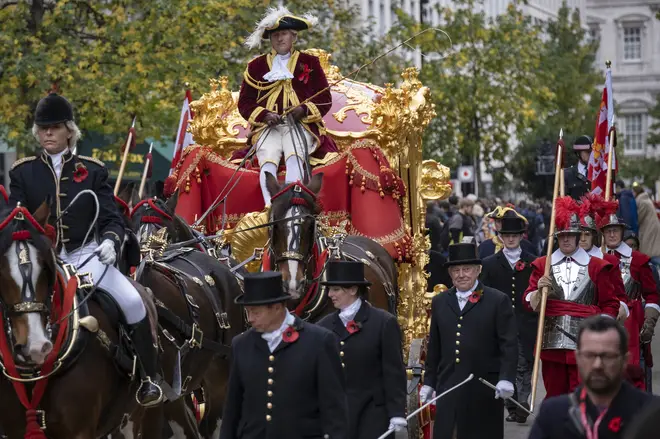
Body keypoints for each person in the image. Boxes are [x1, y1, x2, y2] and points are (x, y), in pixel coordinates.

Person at [8, 93, 162, 407]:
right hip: (42, 261)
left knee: (133, 301)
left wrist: (110, 241)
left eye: (54, 127)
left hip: (86, 256)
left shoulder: (92, 170)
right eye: (42, 128)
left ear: (69, 131)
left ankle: (148, 378)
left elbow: (111, 218)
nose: (47, 133)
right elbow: (14, 220)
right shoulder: (22, 173)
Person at [220, 271, 348, 439]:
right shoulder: (241, 344)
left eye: (256, 312)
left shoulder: (319, 341)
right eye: (247, 312)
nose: (250, 319)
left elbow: (334, 407)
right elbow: (232, 407)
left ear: (277, 308)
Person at [524, 196, 621, 398]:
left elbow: (610, 304)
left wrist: (599, 334)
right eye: (562, 236)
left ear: (578, 237)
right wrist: (537, 292)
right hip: (552, 342)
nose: (566, 239)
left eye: (570, 235)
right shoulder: (542, 265)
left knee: (583, 396)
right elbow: (527, 301)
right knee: (555, 396)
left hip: (585, 342)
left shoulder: (597, 266)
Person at [420, 243, 517, 439]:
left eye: (467, 269)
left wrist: (506, 377)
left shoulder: (497, 300)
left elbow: (509, 344)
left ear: (478, 270)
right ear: (449, 273)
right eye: (456, 270)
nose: (461, 274)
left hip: (483, 386)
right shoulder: (440, 301)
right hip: (449, 385)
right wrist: (429, 381)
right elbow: (435, 347)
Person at [239, 6, 333, 207]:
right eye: (275, 35)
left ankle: (292, 204)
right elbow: (245, 103)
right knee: (267, 155)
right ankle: (270, 207)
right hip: (268, 127)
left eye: (283, 34)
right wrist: (264, 115)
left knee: (294, 152)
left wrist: (303, 111)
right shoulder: (255, 66)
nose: (279, 39)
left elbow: (325, 98)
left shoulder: (310, 62)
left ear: (293, 37)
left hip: (300, 126)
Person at [528, 316, 658, 439]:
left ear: (624, 360)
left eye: (607, 356)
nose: (597, 365)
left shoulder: (651, 414)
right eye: (589, 355)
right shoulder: (553, 414)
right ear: (578, 358)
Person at [317, 260, 407, 438]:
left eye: (335, 289)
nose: (330, 295)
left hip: (373, 415)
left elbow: (393, 371)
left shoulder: (383, 322)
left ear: (353, 289)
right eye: (329, 289)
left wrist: (397, 413)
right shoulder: (323, 326)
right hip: (338, 417)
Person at [480, 211, 537, 424]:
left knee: (525, 364)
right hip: (501, 324)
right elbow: (483, 293)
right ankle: (512, 405)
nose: (511, 238)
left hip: (526, 322)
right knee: (507, 364)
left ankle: (523, 402)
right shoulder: (488, 263)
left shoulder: (534, 262)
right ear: (501, 237)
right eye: (507, 235)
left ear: (522, 236)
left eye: (515, 235)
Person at [599, 203, 660, 390]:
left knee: (635, 373)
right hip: (604, 324)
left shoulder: (639, 261)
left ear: (622, 231)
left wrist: (648, 322)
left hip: (633, 326)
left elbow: (652, 295)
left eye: (615, 230)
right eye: (608, 230)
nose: (611, 234)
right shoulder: (596, 260)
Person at [632, 183, 660, 268]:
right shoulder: (645, 199)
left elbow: (639, 217)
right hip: (651, 226)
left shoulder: (642, 201)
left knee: (651, 251)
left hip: (649, 228)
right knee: (653, 248)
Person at [563, 135, 592, 200]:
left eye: (592, 152)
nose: (590, 154)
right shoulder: (567, 174)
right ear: (578, 153)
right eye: (587, 152)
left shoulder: (597, 173)